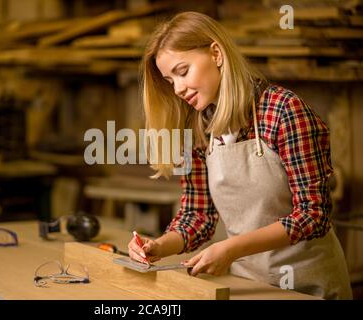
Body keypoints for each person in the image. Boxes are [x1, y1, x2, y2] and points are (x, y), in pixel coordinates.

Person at [127, 11, 352, 299]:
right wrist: (158, 246)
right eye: (170, 81)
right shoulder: (197, 128)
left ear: (216, 54)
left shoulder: (283, 111)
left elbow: (313, 215)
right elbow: (197, 216)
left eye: (183, 72)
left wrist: (231, 249)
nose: (179, 89)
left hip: (309, 284)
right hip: (249, 286)